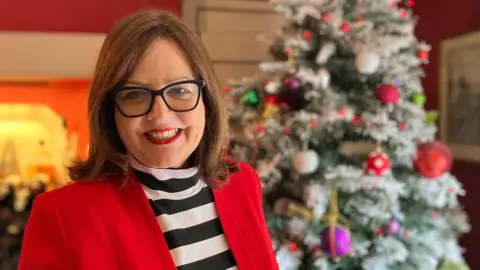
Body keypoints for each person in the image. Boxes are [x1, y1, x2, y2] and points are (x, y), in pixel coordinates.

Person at [18, 10, 278, 270]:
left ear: (205, 97)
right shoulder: (63, 216)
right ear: (110, 110)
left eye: (179, 90)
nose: (160, 115)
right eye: (135, 95)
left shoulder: (242, 183)